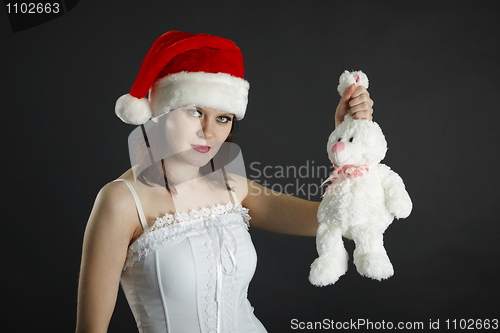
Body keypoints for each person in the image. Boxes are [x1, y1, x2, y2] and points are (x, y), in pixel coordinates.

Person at [76, 31, 373, 333]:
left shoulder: (233, 187)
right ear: (163, 112)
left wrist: (349, 138)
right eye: (195, 112)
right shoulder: (121, 201)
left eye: (222, 118)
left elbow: (330, 219)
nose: (208, 131)